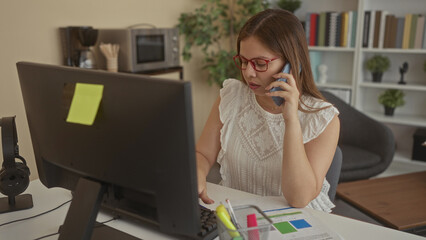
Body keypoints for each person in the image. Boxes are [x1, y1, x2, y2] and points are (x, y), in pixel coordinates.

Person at [196, 9, 340, 212]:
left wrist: (291, 119)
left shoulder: (323, 118)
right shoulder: (232, 96)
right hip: (236, 216)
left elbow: (299, 198)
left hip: (297, 224)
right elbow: (202, 153)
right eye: (244, 61)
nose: (248, 72)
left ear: (292, 64)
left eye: (260, 63)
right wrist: (197, 175)